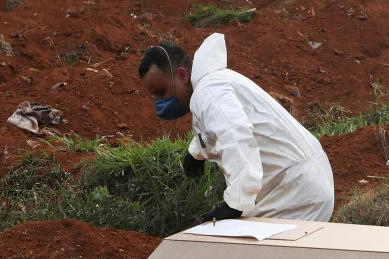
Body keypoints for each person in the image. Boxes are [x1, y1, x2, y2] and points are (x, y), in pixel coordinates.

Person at [138, 34, 334, 223]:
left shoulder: (209, 92)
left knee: (245, 253)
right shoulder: (212, 84)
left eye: (161, 92)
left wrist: (235, 204)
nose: (159, 101)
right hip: (301, 182)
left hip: (297, 192)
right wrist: (196, 153)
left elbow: (235, 135)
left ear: (181, 75)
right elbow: (217, 124)